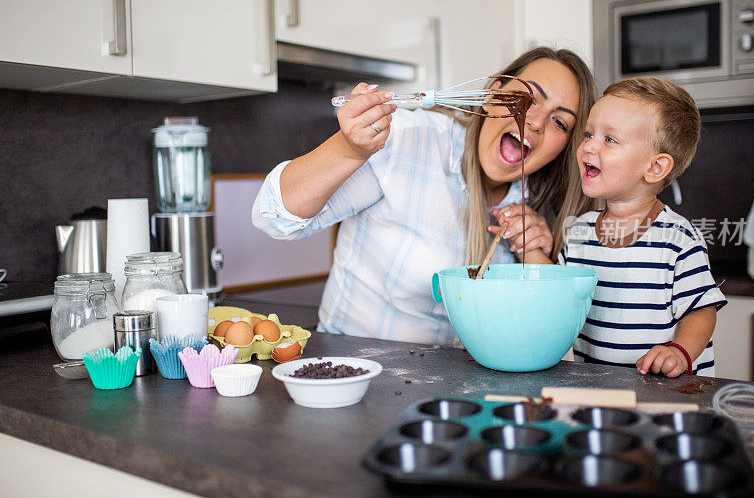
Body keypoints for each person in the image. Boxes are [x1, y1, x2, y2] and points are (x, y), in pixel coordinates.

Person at [252, 47, 597, 345]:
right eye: (526, 99)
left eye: (560, 123)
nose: (535, 122)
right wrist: (348, 148)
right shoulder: (406, 140)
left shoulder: (542, 208)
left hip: (448, 395)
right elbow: (275, 219)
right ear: (492, 94)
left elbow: (540, 334)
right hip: (349, 370)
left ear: (566, 145)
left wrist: (536, 254)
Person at [520, 77, 727, 377]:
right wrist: (527, 245)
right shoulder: (580, 231)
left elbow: (702, 310)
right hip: (602, 392)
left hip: (667, 396)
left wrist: (679, 352)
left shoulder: (677, 239)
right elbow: (559, 288)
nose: (588, 146)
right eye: (589, 134)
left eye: (609, 139)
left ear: (655, 168)